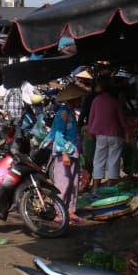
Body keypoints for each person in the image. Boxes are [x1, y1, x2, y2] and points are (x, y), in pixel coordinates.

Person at [42, 83, 88, 223]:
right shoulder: (63, 113)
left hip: (73, 151)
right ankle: (59, 212)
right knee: (63, 183)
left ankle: (70, 210)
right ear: (72, 99)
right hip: (65, 153)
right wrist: (64, 153)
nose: (81, 101)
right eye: (79, 98)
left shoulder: (70, 112)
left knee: (73, 183)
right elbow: (58, 134)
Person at [88, 77, 131, 194]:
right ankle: (109, 186)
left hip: (101, 134)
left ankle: (95, 187)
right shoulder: (115, 101)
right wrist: (128, 133)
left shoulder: (96, 100)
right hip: (115, 134)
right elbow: (123, 119)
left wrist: (91, 132)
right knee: (114, 160)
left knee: (98, 160)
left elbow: (91, 117)